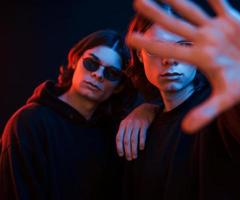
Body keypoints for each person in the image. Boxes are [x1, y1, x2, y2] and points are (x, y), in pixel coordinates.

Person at [118, 0, 240, 199]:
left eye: (184, 45)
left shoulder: (222, 115)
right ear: (140, 55)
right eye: (157, 48)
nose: (169, 59)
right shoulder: (142, 128)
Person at [0, 29, 156, 200]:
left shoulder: (114, 132)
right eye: (91, 63)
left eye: (111, 73)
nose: (98, 75)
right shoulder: (28, 123)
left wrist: (150, 109)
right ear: (75, 60)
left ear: (119, 86)